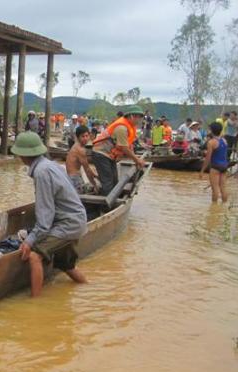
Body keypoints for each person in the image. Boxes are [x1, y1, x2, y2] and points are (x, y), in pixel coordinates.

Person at [11, 132, 88, 297]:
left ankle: (35, 304)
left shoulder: (41, 172)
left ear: (23, 155)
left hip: (67, 224)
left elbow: (45, 220)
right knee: (67, 266)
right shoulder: (49, 164)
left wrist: (30, 241)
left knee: (34, 256)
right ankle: (88, 288)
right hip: (75, 220)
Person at [92, 106, 146, 195]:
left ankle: (109, 198)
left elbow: (127, 145)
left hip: (109, 155)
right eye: (139, 117)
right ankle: (105, 206)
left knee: (114, 181)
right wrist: (137, 160)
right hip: (101, 153)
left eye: (141, 117)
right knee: (108, 181)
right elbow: (124, 148)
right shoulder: (122, 128)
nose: (140, 120)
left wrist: (134, 157)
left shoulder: (130, 127)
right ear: (132, 116)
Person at [200, 122, 229, 203]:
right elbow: (224, 154)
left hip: (215, 167)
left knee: (215, 189)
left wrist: (202, 170)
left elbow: (208, 158)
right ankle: (224, 206)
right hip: (224, 166)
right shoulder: (224, 140)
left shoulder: (211, 142)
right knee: (223, 188)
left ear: (212, 131)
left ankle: (214, 208)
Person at [66, 125, 99, 193]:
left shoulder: (76, 145)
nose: (85, 138)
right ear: (78, 137)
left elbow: (87, 168)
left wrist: (95, 175)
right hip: (74, 178)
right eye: (83, 136)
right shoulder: (80, 150)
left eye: (87, 136)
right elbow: (86, 169)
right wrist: (94, 185)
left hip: (72, 177)